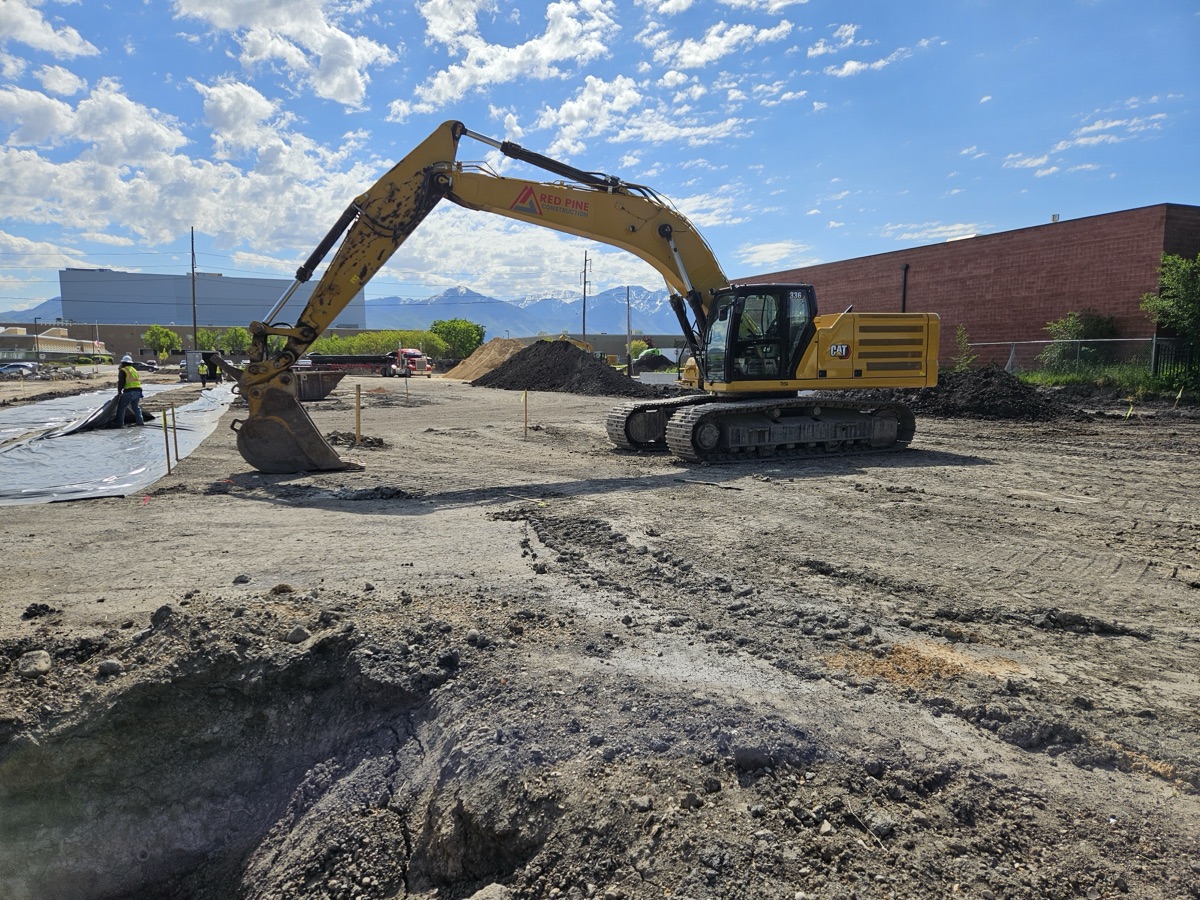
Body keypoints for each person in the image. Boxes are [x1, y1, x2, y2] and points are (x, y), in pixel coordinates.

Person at [115, 355, 144, 427]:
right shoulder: (134, 370)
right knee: (136, 407)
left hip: (129, 392)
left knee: (121, 408)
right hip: (138, 391)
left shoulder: (123, 370)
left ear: (123, 363)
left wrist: (119, 392)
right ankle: (140, 422)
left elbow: (121, 382)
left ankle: (120, 424)